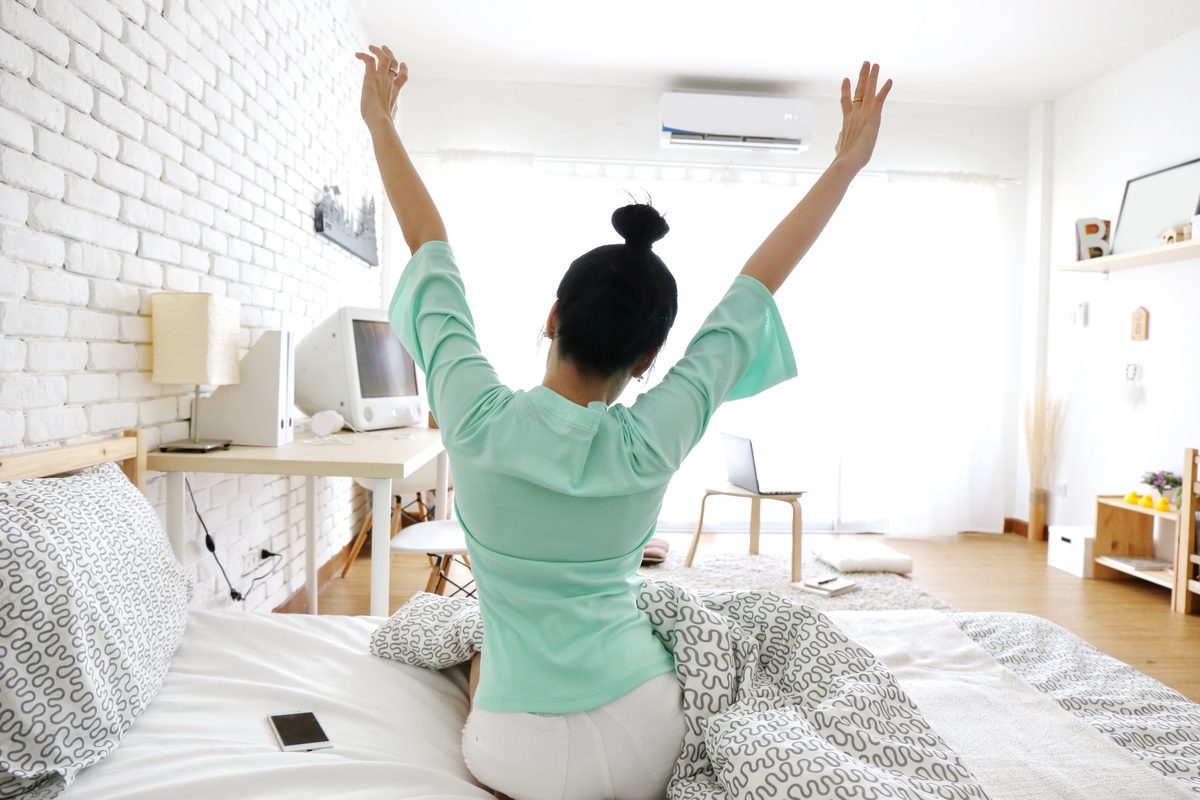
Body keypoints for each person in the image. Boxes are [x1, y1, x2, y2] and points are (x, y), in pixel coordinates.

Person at [355, 44, 892, 800]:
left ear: (551, 317)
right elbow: (753, 291)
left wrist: (380, 122)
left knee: (481, 655)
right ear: (646, 360)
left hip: (512, 752)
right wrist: (843, 165)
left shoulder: (472, 413)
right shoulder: (653, 438)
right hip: (646, 738)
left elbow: (429, 251)